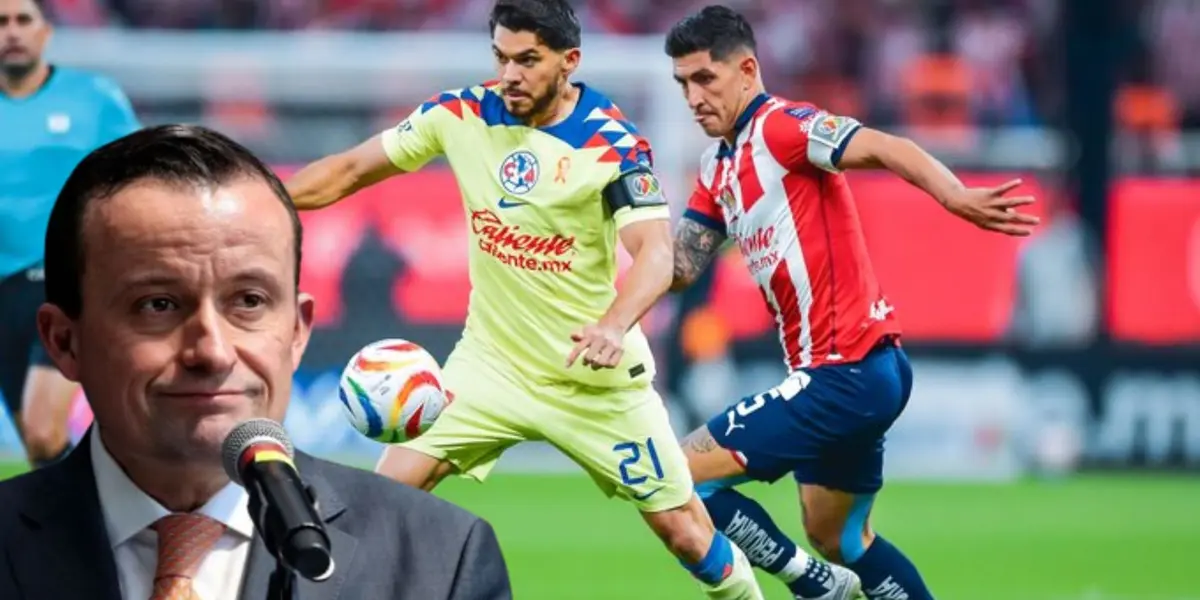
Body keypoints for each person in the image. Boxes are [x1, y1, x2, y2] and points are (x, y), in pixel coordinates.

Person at [285, 1, 764, 597]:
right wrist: (255, 196)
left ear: (569, 62)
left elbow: (657, 254)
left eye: (528, 60)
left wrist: (615, 326)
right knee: (377, 507)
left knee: (685, 533)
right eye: (501, 57)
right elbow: (351, 169)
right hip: (491, 366)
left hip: (592, 380)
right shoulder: (459, 114)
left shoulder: (609, 143)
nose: (510, 74)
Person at [0, 124, 512, 600]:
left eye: (248, 302)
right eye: (158, 305)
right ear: (64, 342)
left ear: (296, 332)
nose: (213, 351)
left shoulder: (441, 560)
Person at [663, 6, 1040, 600]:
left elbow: (890, 146)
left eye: (704, 78)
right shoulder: (718, 167)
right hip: (861, 374)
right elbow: (681, 267)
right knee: (841, 538)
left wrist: (956, 196)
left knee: (680, 475)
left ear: (747, 70)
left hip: (845, 370)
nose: (692, 96)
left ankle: (814, 586)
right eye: (682, 83)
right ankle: (832, 576)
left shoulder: (782, 127)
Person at [0, 0, 140, 468]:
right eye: (1, 23)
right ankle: (87, 524)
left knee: (43, 429)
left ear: (46, 32)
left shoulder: (93, 98)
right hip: (4, 291)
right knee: (39, 447)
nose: (12, 32)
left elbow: (135, 174)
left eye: (23, 20)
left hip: (64, 277)